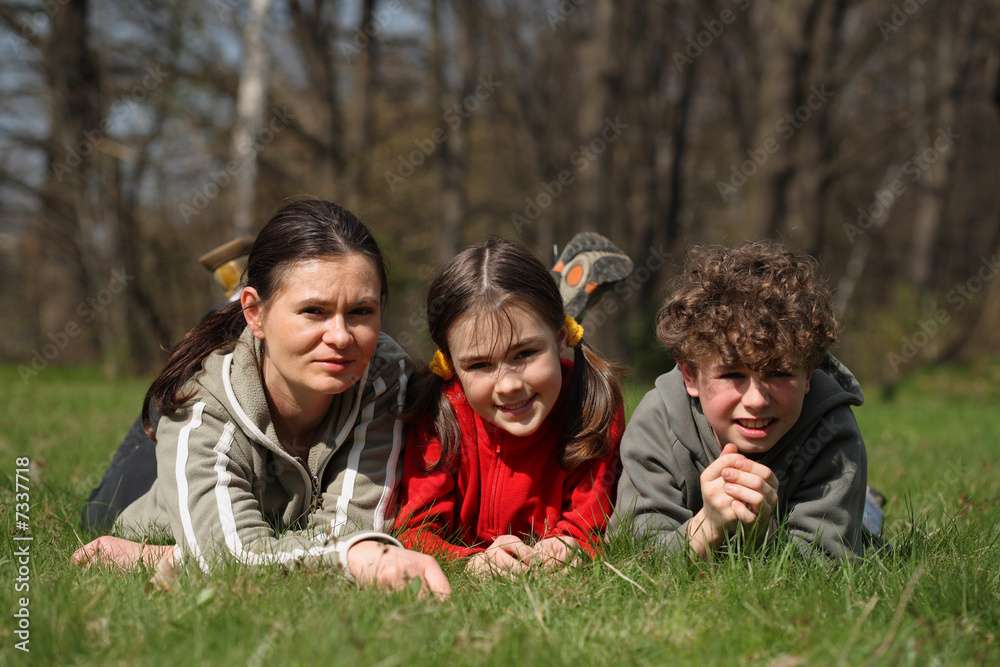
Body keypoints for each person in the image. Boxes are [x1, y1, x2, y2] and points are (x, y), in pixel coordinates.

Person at [72, 198, 450, 599]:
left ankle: (239, 303)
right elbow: (229, 558)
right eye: (314, 310)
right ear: (256, 314)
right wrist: (348, 560)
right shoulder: (200, 407)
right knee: (99, 510)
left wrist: (175, 558)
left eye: (360, 311)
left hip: (256, 345)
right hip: (149, 487)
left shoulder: (385, 375)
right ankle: (227, 310)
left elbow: (348, 531)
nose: (341, 337)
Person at [608, 239, 878, 561]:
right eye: (733, 375)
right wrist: (707, 527)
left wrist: (762, 534)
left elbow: (832, 559)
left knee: (865, 523)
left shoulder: (831, 428)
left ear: (809, 373)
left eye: (779, 373)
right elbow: (636, 550)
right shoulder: (658, 421)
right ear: (690, 375)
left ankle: (868, 505)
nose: (757, 400)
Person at [394, 238, 626, 576]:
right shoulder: (439, 413)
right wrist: (470, 562)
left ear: (561, 337)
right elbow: (414, 532)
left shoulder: (593, 405)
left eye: (525, 353)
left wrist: (569, 547)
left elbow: (590, 525)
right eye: (479, 365)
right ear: (450, 367)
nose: (508, 386)